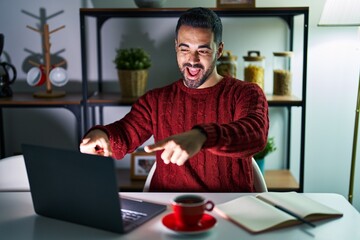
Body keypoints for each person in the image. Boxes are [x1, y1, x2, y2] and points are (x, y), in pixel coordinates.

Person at [80, 7, 269, 192]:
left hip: (231, 210)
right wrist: (101, 135)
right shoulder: (156, 100)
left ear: (219, 50)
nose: (192, 60)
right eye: (184, 49)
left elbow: (255, 134)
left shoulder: (246, 93)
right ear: (176, 46)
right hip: (169, 211)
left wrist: (202, 136)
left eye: (203, 51)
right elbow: (124, 133)